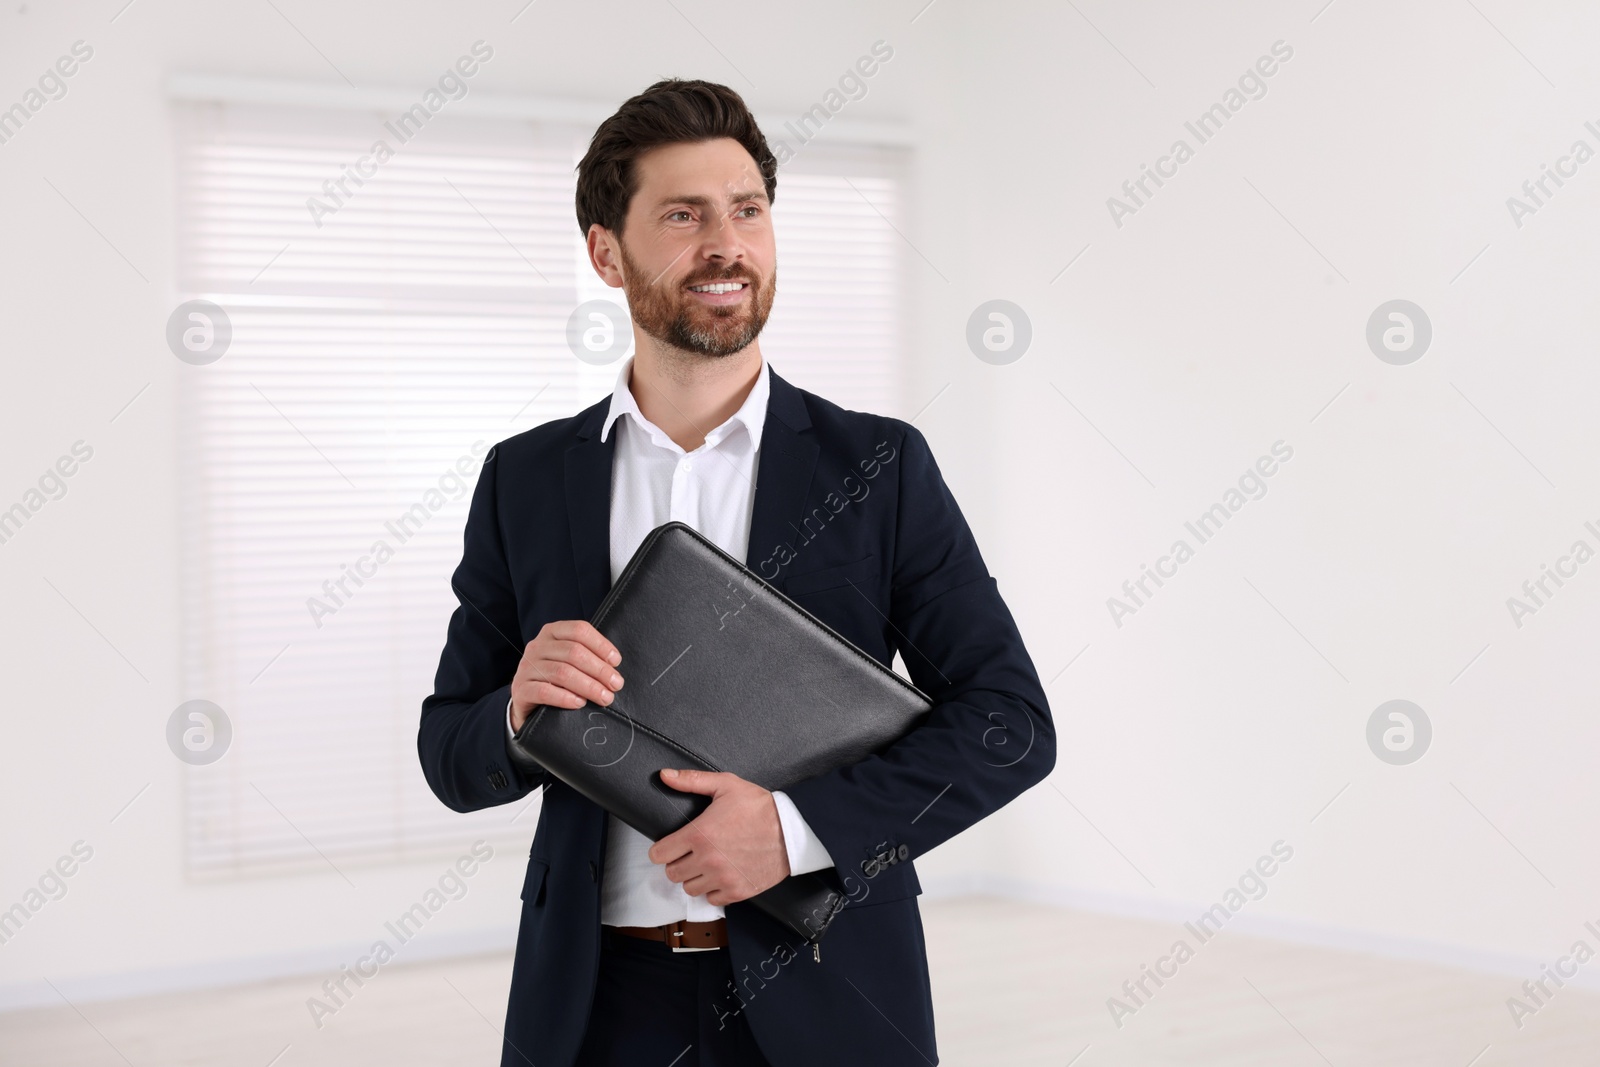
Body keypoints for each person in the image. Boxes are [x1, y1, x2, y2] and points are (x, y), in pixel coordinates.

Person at [418, 77, 1055, 1067]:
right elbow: (446, 749)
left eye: (747, 210)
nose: (726, 243)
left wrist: (797, 832)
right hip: (593, 1004)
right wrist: (514, 709)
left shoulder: (878, 467)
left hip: (834, 988)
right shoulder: (525, 478)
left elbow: (1010, 724)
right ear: (605, 251)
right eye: (683, 215)